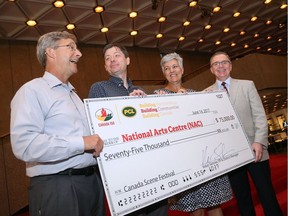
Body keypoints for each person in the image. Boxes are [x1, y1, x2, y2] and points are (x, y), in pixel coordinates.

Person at [10, 31, 105, 216]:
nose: (79, 53)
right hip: (59, 188)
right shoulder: (31, 91)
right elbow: (25, 144)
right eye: (70, 47)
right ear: (50, 52)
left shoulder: (74, 95)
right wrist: (81, 143)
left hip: (91, 183)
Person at [88, 43, 168, 216]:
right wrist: (126, 105)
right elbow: (98, 130)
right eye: (107, 58)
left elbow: (152, 127)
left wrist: (157, 105)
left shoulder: (140, 91)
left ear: (127, 60)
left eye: (116, 55)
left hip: (152, 166)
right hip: (125, 172)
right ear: (105, 66)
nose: (112, 60)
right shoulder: (99, 88)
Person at [154, 52, 233, 216]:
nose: (172, 71)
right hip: (184, 163)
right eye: (167, 68)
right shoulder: (157, 96)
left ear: (182, 70)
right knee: (195, 209)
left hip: (206, 159)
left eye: (175, 66)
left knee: (214, 204)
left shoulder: (196, 94)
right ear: (164, 73)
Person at [206, 51, 283, 216]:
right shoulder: (206, 94)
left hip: (256, 150)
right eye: (216, 64)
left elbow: (260, 116)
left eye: (224, 62)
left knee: (267, 195)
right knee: (243, 200)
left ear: (230, 65)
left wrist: (259, 142)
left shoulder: (247, 85)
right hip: (230, 157)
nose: (221, 66)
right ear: (211, 69)